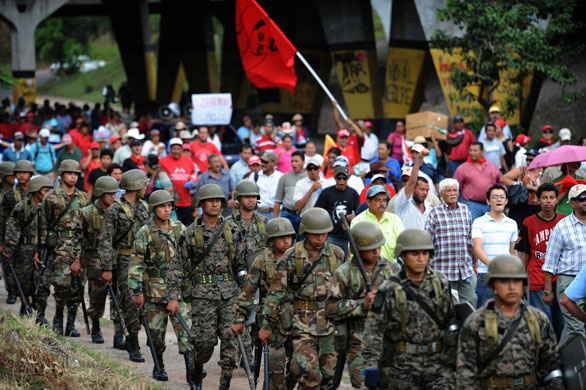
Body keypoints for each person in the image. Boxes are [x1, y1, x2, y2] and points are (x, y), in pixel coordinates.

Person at [166, 184, 248, 389]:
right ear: (201, 203)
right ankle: (197, 367)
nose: (215, 204)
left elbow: (240, 265)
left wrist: (248, 294)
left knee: (230, 339)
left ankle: (225, 382)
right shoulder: (191, 233)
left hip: (230, 293)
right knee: (204, 342)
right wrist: (173, 297)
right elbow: (176, 266)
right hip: (202, 296)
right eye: (210, 200)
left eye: (218, 200)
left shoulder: (233, 230)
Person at [259, 208, 345, 389]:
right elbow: (276, 293)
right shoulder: (292, 256)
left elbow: (346, 288)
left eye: (324, 233)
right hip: (301, 322)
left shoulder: (337, 255)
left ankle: (294, 375)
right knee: (310, 373)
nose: (320, 237)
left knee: (329, 378)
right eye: (315, 233)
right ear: (306, 232)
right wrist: (267, 326)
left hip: (330, 323)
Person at [362, 229, 456, 390]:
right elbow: (374, 329)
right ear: (403, 255)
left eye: (425, 253)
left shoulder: (441, 282)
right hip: (403, 366)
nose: (421, 259)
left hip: (439, 365)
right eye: (415, 254)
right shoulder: (389, 288)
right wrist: (371, 366)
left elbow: (452, 320)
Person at [460, 256, 565, 390]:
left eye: (516, 281)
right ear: (492, 286)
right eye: (504, 281)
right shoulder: (476, 323)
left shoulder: (538, 320)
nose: (511, 287)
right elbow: (466, 374)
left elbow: (551, 368)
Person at [128, 190, 193, 382]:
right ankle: (159, 365)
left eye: (169, 206)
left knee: (187, 334)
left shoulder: (180, 228)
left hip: (178, 291)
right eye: (162, 206)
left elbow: (191, 258)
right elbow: (136, 263)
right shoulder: (145, 232)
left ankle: (192, 372)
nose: (166, 210)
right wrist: (137, 290)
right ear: (153, 209)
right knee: (156, 336)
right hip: (154, 292)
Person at [326, 221, 398, 388]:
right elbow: (330, 308)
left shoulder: (392, 269)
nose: (376, 251)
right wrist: (362, 304)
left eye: (378, 246)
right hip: (359, 342)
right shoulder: (344, 272)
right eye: (370, 248)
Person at [232, 218, 297, 390]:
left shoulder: (299, 258)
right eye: (281, 237)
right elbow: (248, 292)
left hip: (298, 320)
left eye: (289, 236)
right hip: (271, 322)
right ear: (270, 240)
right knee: (275, 370)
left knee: (300, 367)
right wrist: (240, 318)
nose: (286, 241)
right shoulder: (261, 261)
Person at [99, 169, 150, 362]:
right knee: (130, 302)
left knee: (143, 301)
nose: (146, 188)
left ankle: (135, 338)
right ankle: (133, 343)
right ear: (137, 186)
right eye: (144, 185)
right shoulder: (115, 209)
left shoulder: (144, 207)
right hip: (124, 260)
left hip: (143, 261)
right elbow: (106, 240)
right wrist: (106, 268)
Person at [38, 160, 89, 336]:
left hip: (80, 246)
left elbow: (87, 227)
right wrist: (42, 249)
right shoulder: (51, 197)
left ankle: (71, 323)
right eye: (69, 173)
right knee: (61, 285)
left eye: (75, 174)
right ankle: (58, 317)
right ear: (61, 175)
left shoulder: (83, 197)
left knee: (78, 286)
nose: (73, 176)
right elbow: (43, 224)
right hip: (58, 248)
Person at [514, 183, 565, 339]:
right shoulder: (529, 223)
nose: (548, 201)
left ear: (557, 200)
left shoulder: (564, 221)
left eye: (551, 197)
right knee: (543, 321)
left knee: (560, 322)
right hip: (537, 279)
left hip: (560, 278)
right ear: (538, 200)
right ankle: (545, 355)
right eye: (544, 198)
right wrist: (521, 281)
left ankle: (557, 354)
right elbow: (524, 255)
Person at [3, 176, 52, 320]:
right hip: (25, 250)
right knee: (24, 283)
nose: (48, 193)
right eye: (45, 190)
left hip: (43, 250)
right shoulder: (22, 207)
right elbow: (13, 227)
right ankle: (25, 308)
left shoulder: (50, 208)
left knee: (42, 284)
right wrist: (9, 248)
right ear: (36, 190)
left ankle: (40, 315)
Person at [543, 184, 586, 337]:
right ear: (572, 203)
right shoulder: (562, 227)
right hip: (569, 280)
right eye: (582, 198)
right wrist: (548, 291)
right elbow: (550, 262)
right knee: (577, 329)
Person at [80, 176, 119, 344]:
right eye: (109, 193)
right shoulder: (87, 213)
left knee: (119, 295)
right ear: (100, 194)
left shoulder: (118, 211)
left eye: (114, 193)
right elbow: (79, 238)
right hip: (94, 257)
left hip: (115, 255)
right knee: (97, 294)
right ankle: (95, 324)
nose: (113, 197)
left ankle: (119, 332)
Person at [425, 178, 476, 306]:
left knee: (470, 302)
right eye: (448, 191)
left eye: (455, 190)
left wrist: (476, 263)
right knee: (445, 306)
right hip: (443, 270)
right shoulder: (434, 213)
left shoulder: (465, 210)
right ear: (441, 194)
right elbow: (426, 242)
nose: (452, 193)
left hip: (465, 269)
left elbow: (470, 240)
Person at [472, 184, 518, 308]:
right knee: (485, 315)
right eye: (495, 197)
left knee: (506, 313)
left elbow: (513, 252)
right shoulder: (478, 222)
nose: (499, 199)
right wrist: (494, 266)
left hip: (507, 275)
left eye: (502, 197)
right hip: (486, 275)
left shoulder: (512, 224)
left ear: (506, 201)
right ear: (488, 201)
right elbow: (477, 248)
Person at [0, 159, 34, 304]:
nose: (21, 175)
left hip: (31, 236)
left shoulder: (36, 192)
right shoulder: (10, 195)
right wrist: (2, 241)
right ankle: (12, 291)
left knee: (31, 269)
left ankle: (30, 295)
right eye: (19, 172)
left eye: (25, 172)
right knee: (10, 265)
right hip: (12, 236)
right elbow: (2, 219)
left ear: (30, 174)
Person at [315, 165, 360, 259]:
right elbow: (317, 211)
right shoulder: (326, 193)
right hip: (331, 235)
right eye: (339, 178)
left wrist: (354, 217)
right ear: (335, 178)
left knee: (349, 263)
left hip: (348, 236)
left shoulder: (353, 193)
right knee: (329, 260)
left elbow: (360, 214)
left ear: (348, 178)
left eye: (344, 178)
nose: (342, 180)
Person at [351, 185, 404, 262]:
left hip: (391, 270)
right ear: (368, 202)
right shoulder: (358, 221)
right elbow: (353, 250)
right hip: (366, 270)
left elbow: (402, 246)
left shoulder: (395, 220)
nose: (382, 204)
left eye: (384, 200)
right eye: (378, 200)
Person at [453, 142, 503, 221]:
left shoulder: (491, 166)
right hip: (471, 205)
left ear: (482, 152)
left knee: (491, 229)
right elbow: (454, 187)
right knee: (473, 229)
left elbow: (502, 182)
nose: (472, 153)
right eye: (471, 150)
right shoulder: (462, 168)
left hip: (490, 204)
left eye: (475, 150)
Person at [160, 138, 199, 226]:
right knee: (169, 225)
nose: (176, 151)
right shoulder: (162, 161)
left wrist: (194, 183)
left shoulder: (188, 160)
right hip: (168, 201)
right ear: (170, 149)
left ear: (181, 149)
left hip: (185, 200)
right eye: (174, 149)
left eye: (178, 149)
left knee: (184, 226)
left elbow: (194, 174)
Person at [228, 180, 268, 264]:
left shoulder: (265, 222)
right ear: (239, 199)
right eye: (246, 197)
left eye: (253, 197)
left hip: (259, 269)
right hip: (236, 270)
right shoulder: (227, 223)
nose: (251, 200)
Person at [500, 150, 541, 227]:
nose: (528, 162)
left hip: (537, 206)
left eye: (531, 160)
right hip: (520, 204)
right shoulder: (521, 170)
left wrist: (532, 187)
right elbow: (503, 179)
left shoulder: (541, 172)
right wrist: (520, 184)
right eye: (527, 159)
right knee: (518, 229)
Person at [394, 153, 432, 230]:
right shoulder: (402, 203)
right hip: (406, 242)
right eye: (422, 189)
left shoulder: (429, 207)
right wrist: (418, 160)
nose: (425, 193)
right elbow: (411, 183)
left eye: (427, 190)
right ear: (413, 189)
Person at [274, 151, 306, 235]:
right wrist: (275, 221)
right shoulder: (284, 177)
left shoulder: (309, 178)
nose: (293, 164)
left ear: (303, 162)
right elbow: (277, 201)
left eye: (296, 161)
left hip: (304, 216)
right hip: (287, 215)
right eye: (292, 161)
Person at [254, 152, 282, 220]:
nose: (263, 164)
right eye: (262, 161)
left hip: (275, 213)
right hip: (258, 212)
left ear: (273, 163)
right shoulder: (255, 175)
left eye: (265, 162)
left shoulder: (280, 177)